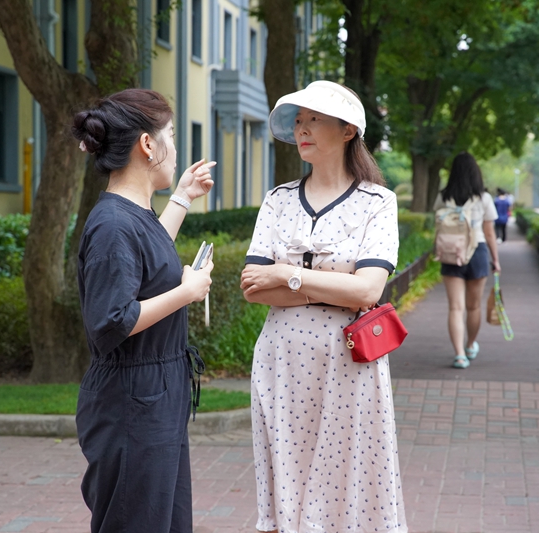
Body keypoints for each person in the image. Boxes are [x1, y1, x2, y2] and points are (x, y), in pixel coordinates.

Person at [240, 81, 406, 533]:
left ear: (348, 130)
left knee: (348, 476)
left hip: (349, 363)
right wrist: (330, 287)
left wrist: (287, 276)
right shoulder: (277, 201)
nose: (302, 128)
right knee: (286, 473)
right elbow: (254, 287)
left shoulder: (378, 202)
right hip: (281, 360)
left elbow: (368, 291)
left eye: (314, 118)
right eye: (298, 119)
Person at [72, 88, 215, 533]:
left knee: (164, 520)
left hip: (155, 392)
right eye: (170, 134)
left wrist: (184, 198)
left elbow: (150, 262)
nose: (175, 145)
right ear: (147, 145)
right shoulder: (113, 224)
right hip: (133, 400)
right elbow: (112, 321)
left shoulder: (132, 215)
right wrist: (187, 292)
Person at [434, 152, 500, 369]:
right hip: (477, 252)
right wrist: (496, 260)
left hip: (450, 252)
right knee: (473, 307)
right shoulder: (484, 198)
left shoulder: (443, 196)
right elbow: (489, 233)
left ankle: (459, 354)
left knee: (455, 308)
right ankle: (471, 345)